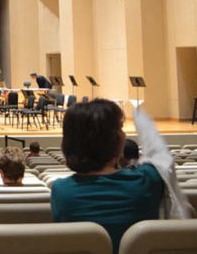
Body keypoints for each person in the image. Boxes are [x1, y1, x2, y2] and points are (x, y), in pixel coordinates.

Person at [50, 99, 165, 253]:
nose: (124, 135)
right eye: (120, 129)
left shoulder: (61, 191)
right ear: (115, 141)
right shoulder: (147, 180)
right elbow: (160, 156)